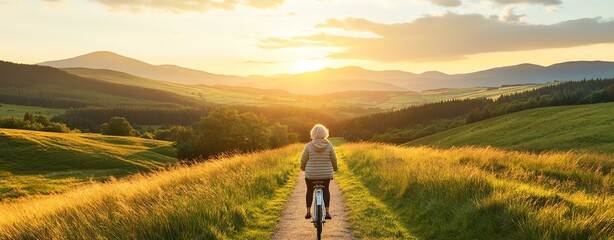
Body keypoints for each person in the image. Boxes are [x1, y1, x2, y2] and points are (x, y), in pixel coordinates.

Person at [300, 124, 338, 220]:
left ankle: (308, 211)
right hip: (326, 174)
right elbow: (334, 159)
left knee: (309, 190)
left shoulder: (309, 145)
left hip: (311, 174)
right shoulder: (329, 145)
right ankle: (328, 212)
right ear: (325, 133)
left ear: (313, 134)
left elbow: (303, 159)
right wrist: (335, 168)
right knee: (326, 190)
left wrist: (302, 168)